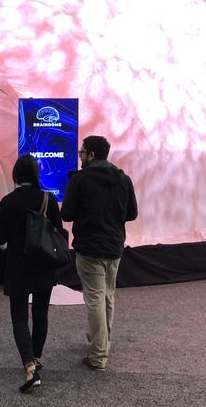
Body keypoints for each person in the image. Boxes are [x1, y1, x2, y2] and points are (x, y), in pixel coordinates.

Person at [61, 135, 138, 372]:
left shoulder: (80, 180)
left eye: (82, 153)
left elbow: (67, 214)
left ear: (91, 155)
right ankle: (102, 341)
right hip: (114, 248)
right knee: (107, 297)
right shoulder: (123, 178)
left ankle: (99, 355)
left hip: (89, 248)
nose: (80, 156)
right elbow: (132, 213)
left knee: (94, 299)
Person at [0, 155, 67, 393]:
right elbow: (59, 230)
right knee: (40, 313)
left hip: (17, 264)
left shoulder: (7, 202)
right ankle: (36, 357)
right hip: (45, 263)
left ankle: (28, 364)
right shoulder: (48, 198)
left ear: (16, 175)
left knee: (19, 317)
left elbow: (1, 238)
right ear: (36, 174)